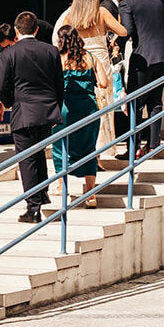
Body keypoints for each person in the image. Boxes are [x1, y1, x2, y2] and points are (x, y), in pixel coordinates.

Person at [0, 12, 64, 224]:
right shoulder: (51, 51)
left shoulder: (9, 54)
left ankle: (33, 208)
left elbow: (1, 86)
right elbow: (59, 84)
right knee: (38, 153)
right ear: (36, 29)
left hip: (23, 111)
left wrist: (9, 103)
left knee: (27, 160)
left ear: (16, 30)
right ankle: (41, 194)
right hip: (47, 111)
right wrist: (56, 108)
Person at [53, 0, 125, 148]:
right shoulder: (102, 12)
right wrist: (109, 28)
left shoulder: (70, 15)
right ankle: (101, 149)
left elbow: (61, 37)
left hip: (80, 60)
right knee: (103, 105)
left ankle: (82, 146)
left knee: (82, 104)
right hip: (100, 62)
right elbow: (122, 31)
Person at [117, 0, 164, 159]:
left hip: (142, 57)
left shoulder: (126, 4)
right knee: (155, 101)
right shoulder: (158, 1)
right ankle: (153, 146)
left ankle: (133, 148)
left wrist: (114, 39)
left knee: (136, 103)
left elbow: (127, 31)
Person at [51, 25, 108, 208]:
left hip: (66, 108)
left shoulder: (60, 59)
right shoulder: (91, 57)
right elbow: (104, 83)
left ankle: (62, 186)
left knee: (60, 146)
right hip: (88, 109)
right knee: (88, 147)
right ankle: (90, 194)